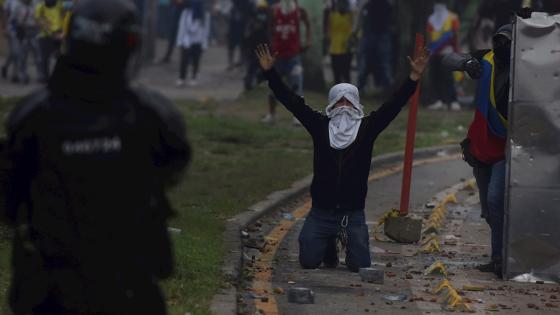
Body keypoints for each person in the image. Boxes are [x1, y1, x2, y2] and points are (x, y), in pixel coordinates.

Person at [2, 0, 191, 313]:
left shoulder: (31, 116)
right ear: (129, 46)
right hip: (125, 285)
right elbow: (173, 168)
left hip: (50, 288)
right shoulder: (152, 117)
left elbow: (9, 200)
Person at [255, 43, 430, 271]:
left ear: (357, 105)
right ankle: (328, 243)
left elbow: (392, 106)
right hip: (321, 211)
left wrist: (413, 77)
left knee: (359, 265)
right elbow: (292, 101)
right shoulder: (320, 125)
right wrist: (270, 73)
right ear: (331, 104)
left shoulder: (367, 128)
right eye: (339, 101)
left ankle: (345, 240)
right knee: (308, 260)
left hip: (352, 213)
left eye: (349, 101)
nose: (344, 106)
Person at [442, 24, 513, 278]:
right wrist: (467, 63)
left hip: (507, 150)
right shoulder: (485, 59)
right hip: (481, 148)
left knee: (496, 200)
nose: (502, 45)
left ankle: (500, 258)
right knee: (488, 209)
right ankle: (499, 254)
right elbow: (447, 58)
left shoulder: (525, 69)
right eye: (498, 40)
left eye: (507, 41)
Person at [261, 0, 311, 124]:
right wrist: (272, 43)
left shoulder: (299, 11)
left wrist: (308, 41)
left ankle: (298, 116)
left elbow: (308, 24)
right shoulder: (274, 10)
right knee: (273, 86)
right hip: (277, 57)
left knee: (296, 86)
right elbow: (269, 27)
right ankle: (271, 115)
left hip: (293, 56)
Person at [354, 0, 395, 95]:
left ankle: (386, 89)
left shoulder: (388, 5)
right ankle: (360, 87)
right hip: (369, 35)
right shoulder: (368, 4)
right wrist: (356, 31)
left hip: (382, 35)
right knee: (364, 63)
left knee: (384, 64)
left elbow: (392, 21)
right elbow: (361, 19)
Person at [426, 1, 462, 111]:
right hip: (435, 53)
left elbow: (455, 35)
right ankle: (439, 100)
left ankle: (453, 101)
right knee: (436, 77)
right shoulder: (431, 19)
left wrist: (457, 50)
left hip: (448, 52)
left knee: (449, 78)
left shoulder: (452, 17)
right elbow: (429, 36)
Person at [176, 0, 210, 87]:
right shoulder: (186, 13)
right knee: (184, 60)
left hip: (198, 41)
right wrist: (179, 41)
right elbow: (181, 28)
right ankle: (181, 78)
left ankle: (194, 77)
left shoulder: (205, 15)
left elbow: (206, 31)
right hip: (186, 40)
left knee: (196, 60)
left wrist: (204, 44)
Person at [324, 0, 354, 84]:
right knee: (337, 74)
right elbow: (328, 31)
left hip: (347, 49)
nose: (342, 5)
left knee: (346, 73)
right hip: (335, 48)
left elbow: (354, 30)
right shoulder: (332, 15)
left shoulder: (350, 15)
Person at [12, 0, 41, 84]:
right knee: (23, 55)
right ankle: (22, 75)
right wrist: (18, 26)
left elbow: (40, 17)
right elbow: (13, 20)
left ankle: (40, 75)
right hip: (23, 32)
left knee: (38, 54)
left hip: (34, 31)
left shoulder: (36, 5)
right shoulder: (18, 7)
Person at [243, 0, 270, 91]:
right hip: (255, 45)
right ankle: (249, 84)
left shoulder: (266, 17)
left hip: (262, 44)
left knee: (260, 67)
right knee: (252, 67)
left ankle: (258, 83)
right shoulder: (254, 18)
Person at [34, 0, 63, 83]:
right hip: (45, 36)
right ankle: (45, 78)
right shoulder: (40, 7)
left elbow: (63, 15)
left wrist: (62, 33)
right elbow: (40, 21)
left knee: (58, 56)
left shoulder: (59, 4)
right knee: (45, 58)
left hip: (58, 34)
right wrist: (52, 34)